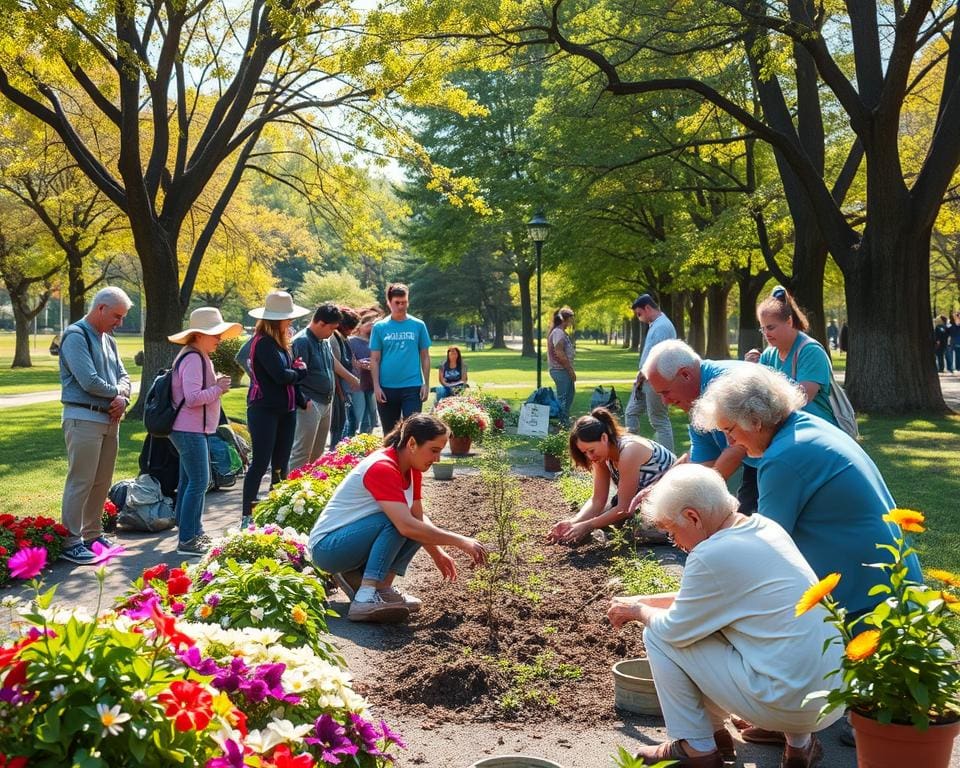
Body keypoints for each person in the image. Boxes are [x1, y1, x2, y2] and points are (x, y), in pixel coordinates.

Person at [608, 463, 843, 768]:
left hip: (784, 701)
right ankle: (799, 745)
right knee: (717, 627)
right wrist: (642, 599)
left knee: (657, 633)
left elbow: (675, 629)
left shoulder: (710, 555)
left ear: (693, 517)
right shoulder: (764, 527)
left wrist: (639, 611)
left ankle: (697, 746)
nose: (675, 543)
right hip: (830, 700)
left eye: (672, 532)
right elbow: (712, 600)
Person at [690, 364, 923, 618]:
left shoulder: (783, 458)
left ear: (755, 421)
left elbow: (765, 547)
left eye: (729, 430)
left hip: (869, 603)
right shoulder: (805, 426)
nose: (729, 443)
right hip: (896, 584)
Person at [308, 414, 488, 623]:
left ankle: (381, 589)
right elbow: (405, 525)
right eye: (434, 450)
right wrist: (460, 541)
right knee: (398, 522)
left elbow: (418, 519)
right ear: (412, 443)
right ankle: (365, 598)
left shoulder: (412, 469)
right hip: (328, 548)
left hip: (349, 544)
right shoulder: (382, 467)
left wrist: (438, 553)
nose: (437, 459)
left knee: (409, 522)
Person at [58, 286, 133, 564]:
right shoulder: (76, 336)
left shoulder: (109, 340)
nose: (120, 323)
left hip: (109, 420)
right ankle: (70, 541)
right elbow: (88, 380)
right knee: (81, 481)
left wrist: (122, 397)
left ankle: (92, 534)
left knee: (101, 482)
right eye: (117, 316)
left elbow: (124, 376)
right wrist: (117, 394)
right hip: (83, 418)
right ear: (100, 308)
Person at [642, 340, 760, 513]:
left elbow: (739, 447)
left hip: (791, 458)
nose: (665, 402)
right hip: (759, 463)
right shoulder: (697, 399)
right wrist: (659, 489)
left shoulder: (729, 384)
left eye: (666, 392)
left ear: (685, 375)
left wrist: (695, 499)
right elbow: (702, 459)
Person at [167, 307, 241, 556]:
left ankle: (192, 531)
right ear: (198, 335)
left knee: (190, 481)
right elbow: (192, 398)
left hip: (191, 429)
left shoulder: (196, 356)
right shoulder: (193, 358)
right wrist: (218, 388)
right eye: (214, 333)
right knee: (200, 482)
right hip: (189, 429)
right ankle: (188, 539)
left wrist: (214, 384)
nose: (219, 338)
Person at [547, 407, 675, 544]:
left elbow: (624, 509)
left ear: (604, 437)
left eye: (591, 450)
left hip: (671, 501)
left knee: (637, 529)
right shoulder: (600, 456)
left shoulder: (629, 451)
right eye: (585, 453)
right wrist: (573, 522)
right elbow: (597, 500)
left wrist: (587, 525)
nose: (590, 456)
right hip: (640, 501)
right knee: (601, 518)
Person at [242, 291, 310, 525]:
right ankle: (247, 515)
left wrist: (298, 388)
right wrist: (300, 372)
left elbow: (288, 374)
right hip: (264, 410)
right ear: (275, 319)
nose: (290, 322)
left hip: (286, 410)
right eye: (287, 317)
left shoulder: (282, 343)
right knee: (261, 462)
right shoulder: (263, 343)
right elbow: (281, 376)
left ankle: (275, 512)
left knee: (281, 462)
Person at [756, 286, 839, 426]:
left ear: (789, 321)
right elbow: (756, 392)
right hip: (785, 428)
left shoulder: (811, 351)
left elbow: (802, 398)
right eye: (762, 329)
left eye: (771, 328)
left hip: (817, 430)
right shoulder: (768, 355)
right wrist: (748, 369)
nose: (766, 334)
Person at [370, 283, 432, 435]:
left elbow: (425, 356)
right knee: (390, 433)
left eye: (404, 302)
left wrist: (426, 383)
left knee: (413, 431)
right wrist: (376, 386)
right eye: (397, 303)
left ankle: (412, 459)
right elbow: (375, 360)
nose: (401, 306)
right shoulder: (380, 327)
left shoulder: (418, 325)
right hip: (387, 388)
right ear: (389, 303)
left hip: (412, 386)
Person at [289, 303, 341, 471]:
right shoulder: (302, 341)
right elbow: (296, 375)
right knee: (302, 452)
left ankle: (309, 492)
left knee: (317, 454)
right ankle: (290, 491)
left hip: (326, 402)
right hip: (310, 402)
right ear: (320, 323)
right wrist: (304, 400)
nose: (332, 333)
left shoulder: (323, 341)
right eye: (331, 329)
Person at [625, 294, 676, 451]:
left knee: (659, 420)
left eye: (639, 313)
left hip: (655, 380)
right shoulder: (655, 325)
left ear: (647, 308)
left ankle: (668, 458)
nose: (639, 317)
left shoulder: (662, 326)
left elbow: (657, 357)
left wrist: (642, 375)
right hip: (644, 379)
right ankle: (632, 450)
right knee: (630, 413)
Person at [328, 307, 361, 450]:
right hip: (338, 391)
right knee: (341, 426)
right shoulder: (333, 339)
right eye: (351, 328)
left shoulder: (343, 339)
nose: (352, 331)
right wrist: (341, 393)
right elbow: (334, 368)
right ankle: (335, 454)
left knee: (349, 422)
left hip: (345, 390)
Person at [345, 312, 378, 436]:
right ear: (361, 326)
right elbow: (350, 360)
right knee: (360, 412)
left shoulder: (375, 341)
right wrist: (359, 364)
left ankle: (366, 438)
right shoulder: (351, 341)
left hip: (372, 381)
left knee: (371, 412)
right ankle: (357, 438)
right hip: (358, 381)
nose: (372, 327)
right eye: (370, 324)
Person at [547, 306, 576, 425]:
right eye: (570, 318)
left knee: (569, 394)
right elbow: (560, 354)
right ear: (564, 319)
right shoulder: (558, 332)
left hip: (563, 370)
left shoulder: (561, 332)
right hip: (560, 370)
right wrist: (570, 370)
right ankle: (562, 422)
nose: (572, 321)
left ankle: (564, 419)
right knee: (563, 397)